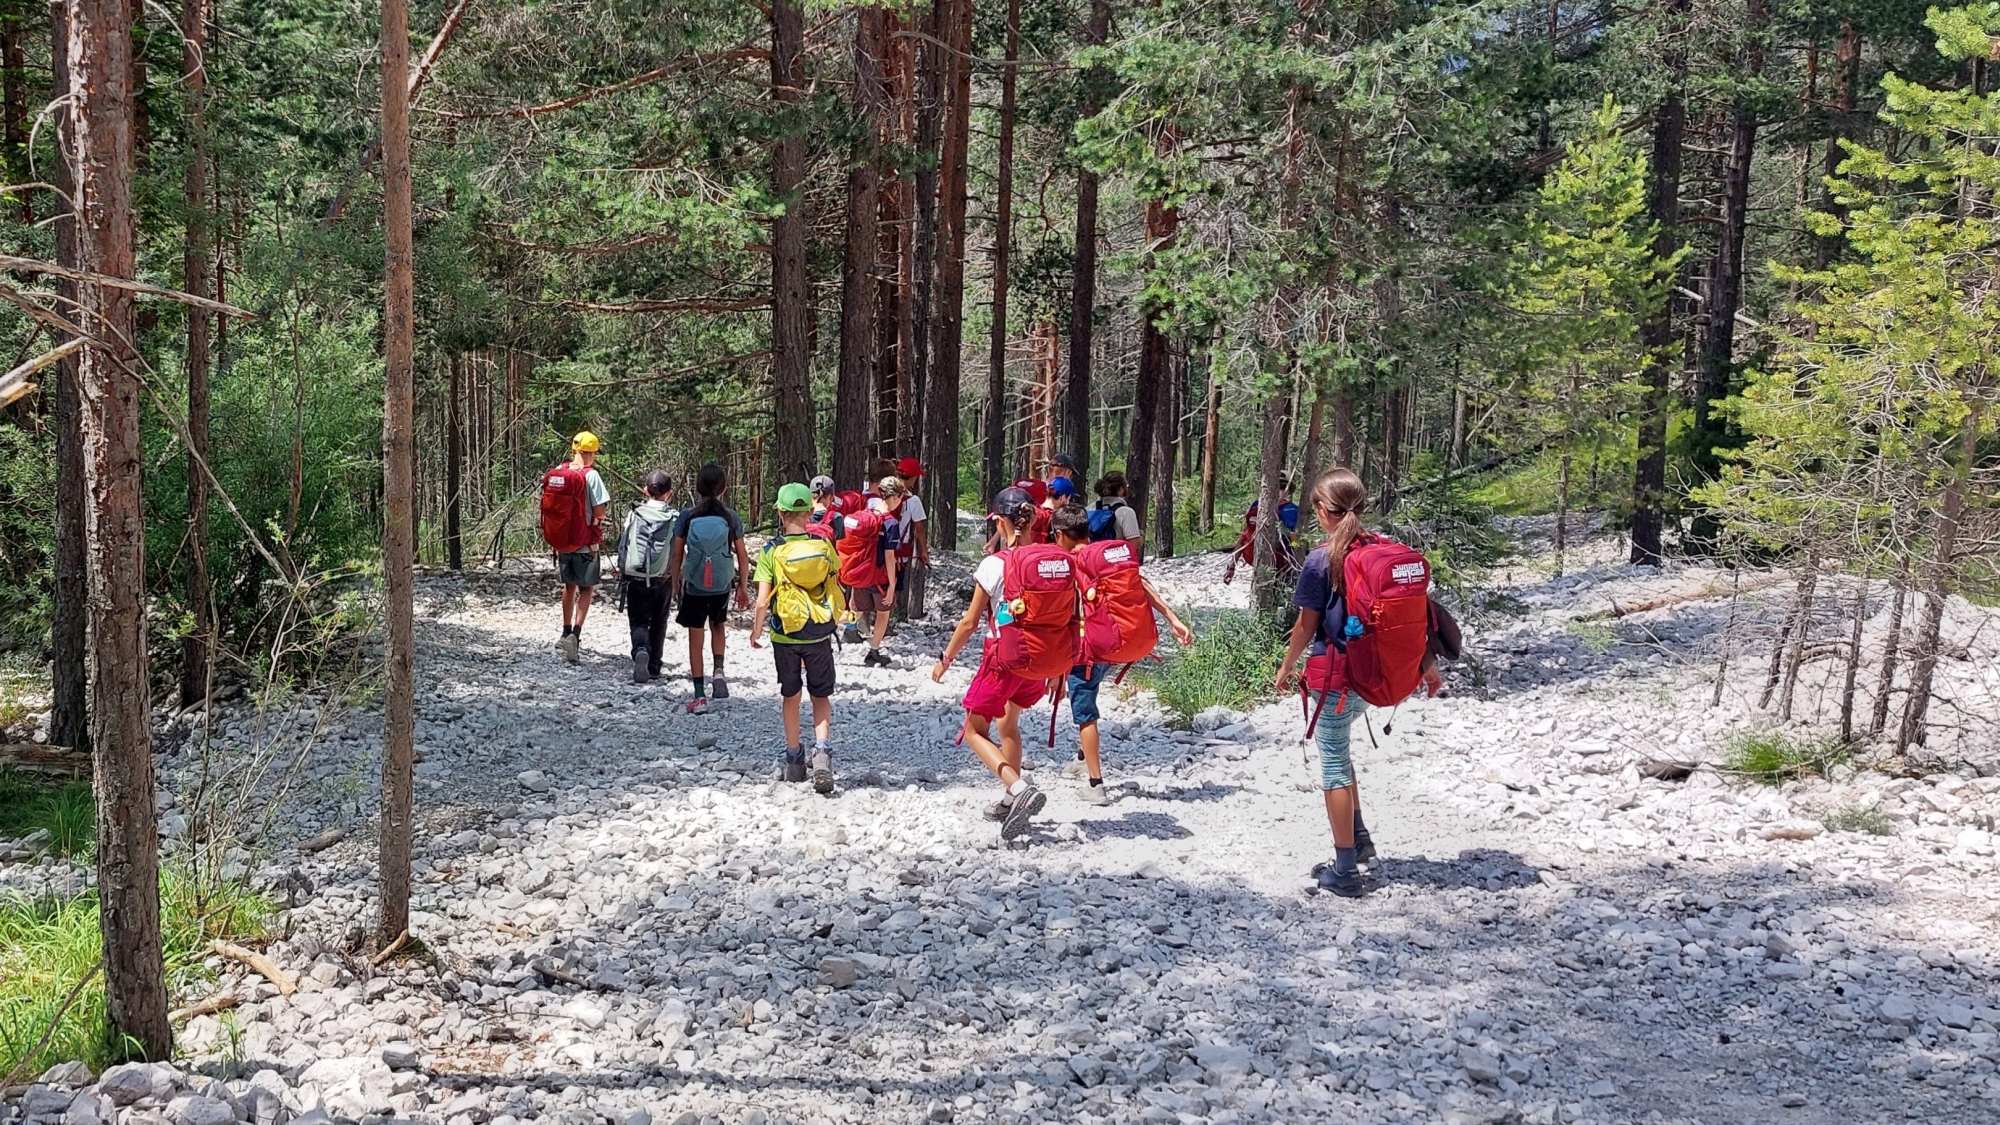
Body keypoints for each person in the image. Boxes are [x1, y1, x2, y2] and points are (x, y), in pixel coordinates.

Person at [1273, 468, 1447, 899]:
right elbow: (1417, 614)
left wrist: (1285, 666)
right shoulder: (1386, 550)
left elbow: (1305, 624)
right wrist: (1425, 664)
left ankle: (1345, 870)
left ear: (1320, 509)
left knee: (1333, 764)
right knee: (1342, 755)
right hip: (1373, 679)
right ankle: (1360, 838)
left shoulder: (1321, 559)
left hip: (1334, 677)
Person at [932, 486, 1075, 841]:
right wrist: (1060, 670)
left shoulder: (994, 564)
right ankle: (1011, 801)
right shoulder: (1052, 561)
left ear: (1000, 521)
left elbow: (969, 622)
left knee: (972, 730)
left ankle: (1017, 786)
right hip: (1040, 660)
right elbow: (1065, 616)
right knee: (1008, 726)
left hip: (1003, 657)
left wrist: (946, 659)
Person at [1051, 504, 1194, 804]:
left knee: (1085, 713)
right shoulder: (1106, 556)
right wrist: (1173, 619)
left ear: (1060, 535)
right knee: (1091, 695)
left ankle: (1095, 784)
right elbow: (1140, 583)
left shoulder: (1074, 563)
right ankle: (1081, 758)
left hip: (1091, 648)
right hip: (1116, 643)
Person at [749, 483, 843, 794]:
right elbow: (835, 582)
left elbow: (762, 600)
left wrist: (757, 631)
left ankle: (793, 760)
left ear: (780, 512)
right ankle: (822, 753)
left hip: (785, 633)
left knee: (791, 696)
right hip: (818, 630)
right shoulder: (823, 545)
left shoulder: (770, 551)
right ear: (808, 513)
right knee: (821, 695)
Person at [667, 462, 751, 714]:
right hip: (721, 582)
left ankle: (699, 695)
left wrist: (675, 584)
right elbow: (743, 556)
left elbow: (677, 554)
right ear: (723, 489)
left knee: (696, 635)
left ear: (698, 488)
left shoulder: (687, 516)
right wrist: (743, 586)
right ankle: (719, 674)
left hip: (694, 584)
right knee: (718, 625)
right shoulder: (730, 517)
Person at [543, 431, 611, 664]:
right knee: (586, 589)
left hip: (562, 541)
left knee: (568, 586)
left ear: (574, 450)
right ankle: (576, 636)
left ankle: (564, 631)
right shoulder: (591, 476)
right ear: (591, 452)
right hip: (585, 542)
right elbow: (600, 511)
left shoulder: (560, 472)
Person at [613, 470, 679, 684]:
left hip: (635, 575)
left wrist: (621, 568)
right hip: (662, 578)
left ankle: (641, 649)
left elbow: (625, 541)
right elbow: (678, 550)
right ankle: (654, 666)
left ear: (645, 490)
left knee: (638, 619)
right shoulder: (674, 517)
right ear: (669, 493)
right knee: (660, 621)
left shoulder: (635, 513)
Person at [841, 476, 904, 666]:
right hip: (880, 577)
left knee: (857, 609)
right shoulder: (891, 522)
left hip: (862, 572)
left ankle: (835, 632)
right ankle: (874, 650)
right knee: (883, 613)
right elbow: (889, 556)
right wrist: (893, 585)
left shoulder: (867, 514)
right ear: (895, 497)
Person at [888, 456, 930, 621]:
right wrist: (923, 551)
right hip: (899, 552)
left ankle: (868, 619)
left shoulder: (883, 492)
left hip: (878, 548)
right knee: (895, 586)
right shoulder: (913, 500)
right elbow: (919, 529)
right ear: (912, 477)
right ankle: (888, 620)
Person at [1223, 497, 1301, 584]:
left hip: (1265, 562)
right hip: (1277, 564)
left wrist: (1232, 566)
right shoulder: (1290, 509)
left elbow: (1244, 536)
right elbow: (1294, 536)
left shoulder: (1258, 504)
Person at [1086, 471, 1144, 555]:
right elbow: (1133, 546)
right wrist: (1140, 538)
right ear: (1121, 489)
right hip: (1116, 564)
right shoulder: (1126, 512)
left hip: (1093, 561)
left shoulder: (1089, 509)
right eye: (1126, 486)